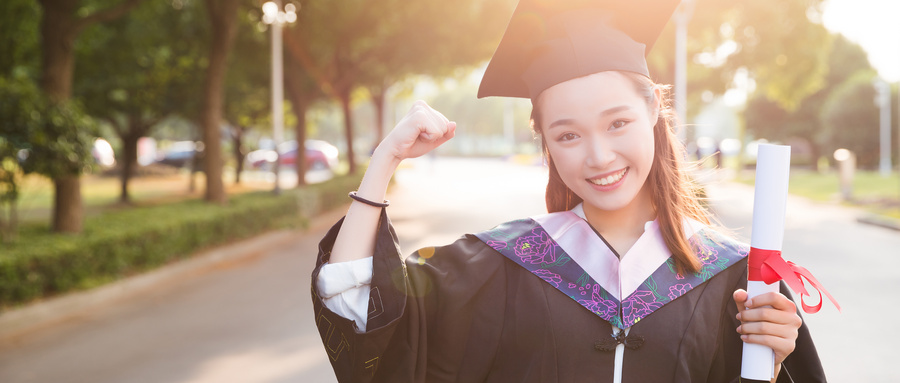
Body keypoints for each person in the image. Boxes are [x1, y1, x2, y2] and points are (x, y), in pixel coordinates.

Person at [311, 1, 826, 382]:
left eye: (618, 122)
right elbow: (361, 313)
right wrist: (384, 162)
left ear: (653, 112)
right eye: (568, 135)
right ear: (546, 143)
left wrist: (772, 362)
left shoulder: (732, 277)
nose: (598, 156)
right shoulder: (500, 267)